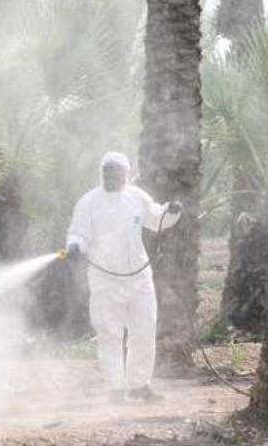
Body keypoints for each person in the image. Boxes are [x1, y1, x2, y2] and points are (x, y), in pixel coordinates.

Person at [66, 151, 182, 403]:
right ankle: (116, 389)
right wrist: (75, 245)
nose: (111, 175)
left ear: (126, 174)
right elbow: (79, 233)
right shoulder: (89, 202)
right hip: (104, 278)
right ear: (101, 172)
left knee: (144, 330)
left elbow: (156, 219)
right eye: (106, 170)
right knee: (110, 334)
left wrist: (171, 212)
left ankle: (140, 385)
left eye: (116, 170)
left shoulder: (137, 197)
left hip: (139, 278)